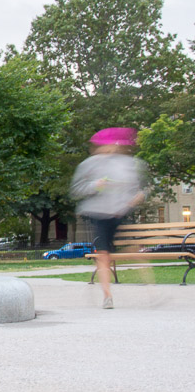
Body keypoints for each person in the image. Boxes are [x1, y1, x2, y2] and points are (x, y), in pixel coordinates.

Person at [70, 127, 148, 309]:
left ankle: (149, 286)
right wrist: (95, 185)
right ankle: (107, 295)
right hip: (99, 214)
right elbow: (76, 190)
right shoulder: (89, 164)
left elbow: (136, 188)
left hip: (121, 212)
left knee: (130, 251)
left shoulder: (127, 164)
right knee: (103, 256)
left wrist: (137, 196)